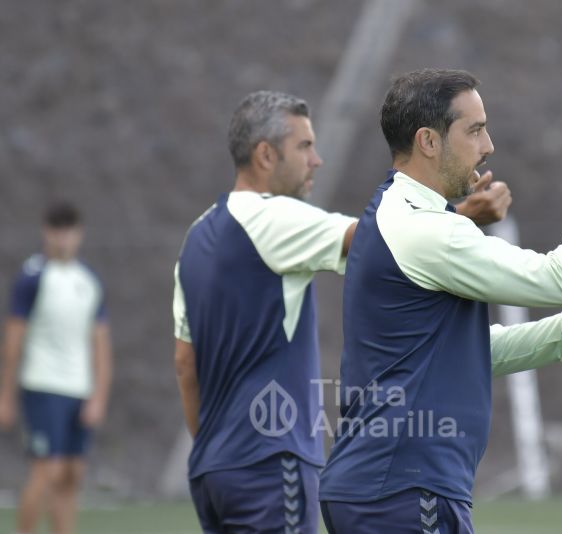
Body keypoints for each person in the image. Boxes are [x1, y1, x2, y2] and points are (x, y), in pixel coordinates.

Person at [318, 68, 562, 532]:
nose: (488, 145)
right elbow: (556, 279)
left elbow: (475, 353)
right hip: (401, 488)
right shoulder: (424, 230)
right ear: (428, 141)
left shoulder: (400, 214)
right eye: (475, 130)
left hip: (389, 487)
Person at [172, 90, 511, 534]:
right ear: (265, 155)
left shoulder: (196, 237)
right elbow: (381, 243)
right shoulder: (274, 219)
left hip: (212, 470)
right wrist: (460, 215)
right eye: (305, 146)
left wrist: (214, 450)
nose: (317, 161)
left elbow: (184, 364)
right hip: (270, 460)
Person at [0, 202, 113, 534]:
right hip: (42, 385)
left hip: (79, 388)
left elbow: (101, 344)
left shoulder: (89, 281)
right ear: (46, 232)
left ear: (79, 234)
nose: (63, 239)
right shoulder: (32, 277)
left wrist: (99, 396)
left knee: (72, 474)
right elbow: (14, 339)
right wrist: (5, 395)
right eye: (56, 231)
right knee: (46, 471)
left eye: (69, 231)